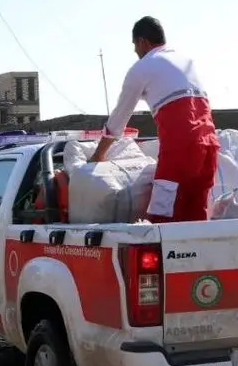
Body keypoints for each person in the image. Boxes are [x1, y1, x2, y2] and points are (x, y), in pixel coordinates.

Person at [89, 16, 220, 223]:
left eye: (134, 46)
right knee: (196, 218)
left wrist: (98, 155)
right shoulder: (186, 62)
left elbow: (118, 121)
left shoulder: (142, 67)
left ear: (142, 42)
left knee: (162, 217)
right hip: (209, 148)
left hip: (180, 150)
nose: (135, 52)